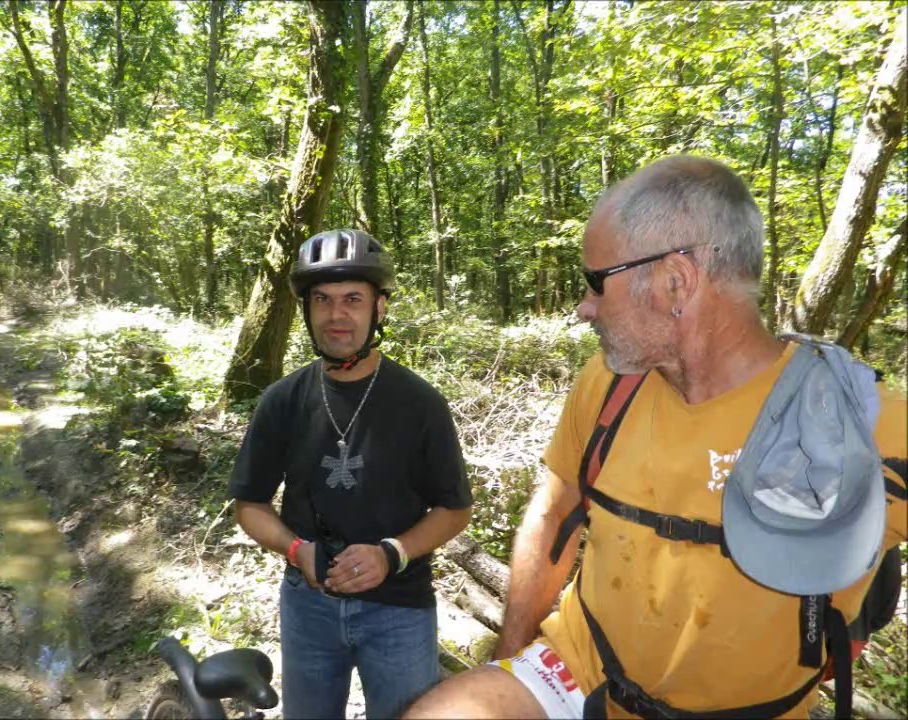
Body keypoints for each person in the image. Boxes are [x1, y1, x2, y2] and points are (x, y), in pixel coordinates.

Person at [404, 156, 907, 719]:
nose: (583, 307)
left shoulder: (864, 424)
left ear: (675, 280)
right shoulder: (606, 386)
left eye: (596, 282)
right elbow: (552, 515)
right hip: (578, 671)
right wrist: (510, 660)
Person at [229, 229, 472, 719]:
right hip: (308, 608)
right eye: (322, 300)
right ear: (306, 310)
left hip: (400, 609)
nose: (336, 315)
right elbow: (249, 504)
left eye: (352, 299)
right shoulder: (283, 401)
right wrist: (297, 551)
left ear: (379, 308)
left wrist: (391, 553)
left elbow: (454, 509)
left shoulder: (419, 403)